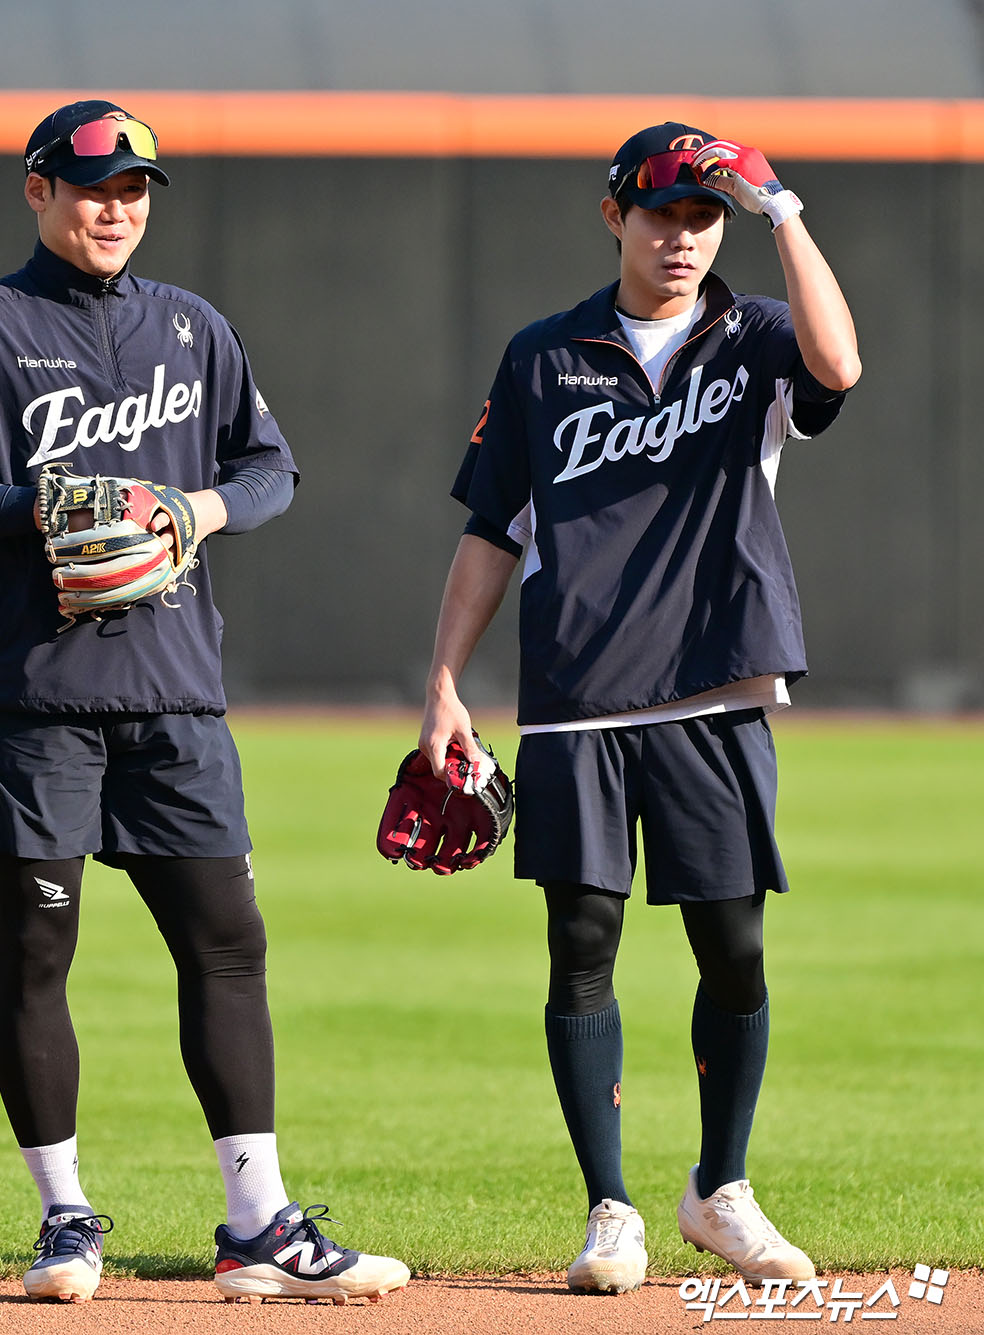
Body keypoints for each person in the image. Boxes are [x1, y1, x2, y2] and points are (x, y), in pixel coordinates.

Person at [0, 98, 409, 1307]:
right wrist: (45, 511)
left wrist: (198, 511)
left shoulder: (193, 327)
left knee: (228, 946)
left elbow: (269, 469)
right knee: (37, 947)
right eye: (91, 187)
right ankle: (65, 1217)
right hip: (28, 693)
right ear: (37, 190)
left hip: (174, 692)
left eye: (136, 190)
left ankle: (258, 1221)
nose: (116, 208)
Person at [416, 122, 860, 1294]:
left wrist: (786, 213)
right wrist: (447, 683)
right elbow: (487, 531)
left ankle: (721, 1189)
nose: (682, 237)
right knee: (582, 949)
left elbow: (841, 368)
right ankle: (611, 1209)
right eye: (662, 214)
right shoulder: (542, 356)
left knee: (734, 945)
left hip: (717, 685)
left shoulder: (753, 335)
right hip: (575, 696)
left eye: (703, 217)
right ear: (615, 216)